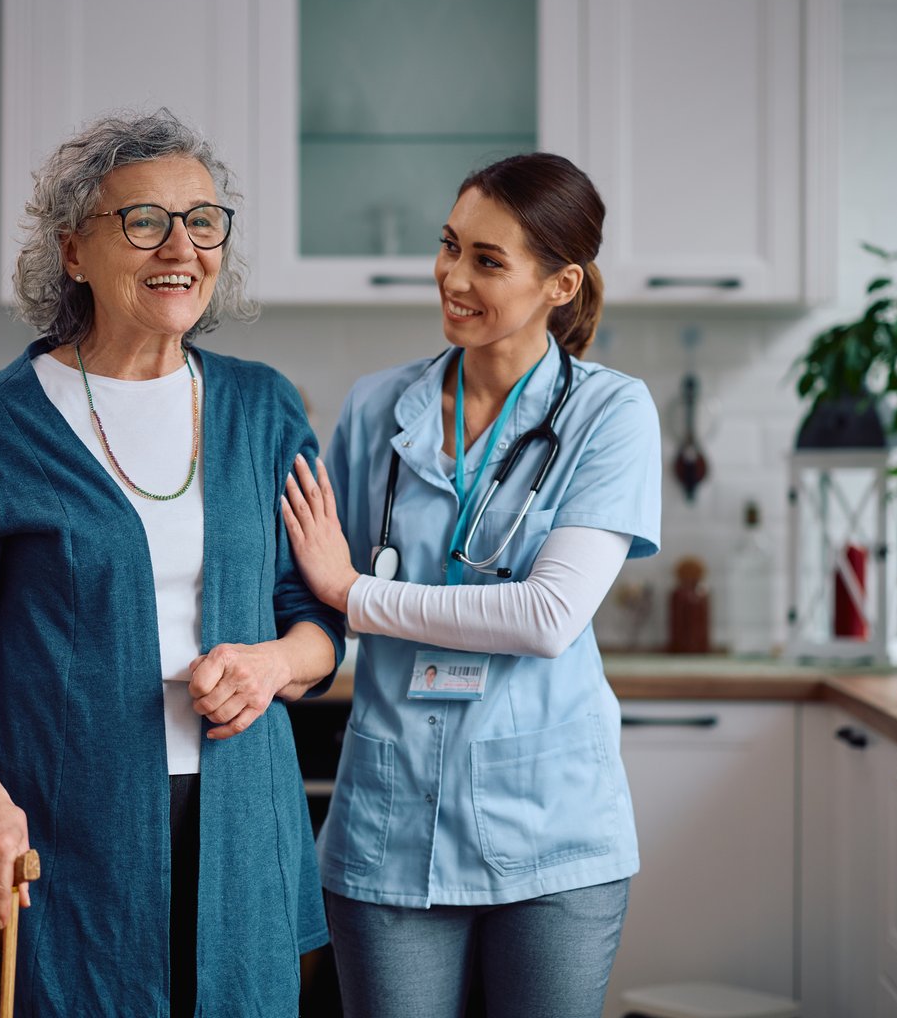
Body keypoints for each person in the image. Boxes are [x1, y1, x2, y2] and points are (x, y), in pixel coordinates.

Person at [0, 108, 344, 1016]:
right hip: (66, 837)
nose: (180, 245)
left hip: (240, 837)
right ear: (74, 253)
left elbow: (318, 621)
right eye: (144, 221)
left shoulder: (264, 410)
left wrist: (270, 663)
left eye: (203, 220)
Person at [281, 152, 661, 1018]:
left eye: (488, 261)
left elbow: (547, 615)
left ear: (561, 283)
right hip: (389, 824)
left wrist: (356, 595)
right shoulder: (378, 408)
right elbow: (313, 592)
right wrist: (285, 648)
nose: (453, 277)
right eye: (450, 247)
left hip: (552, 832)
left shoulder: (610, 413)